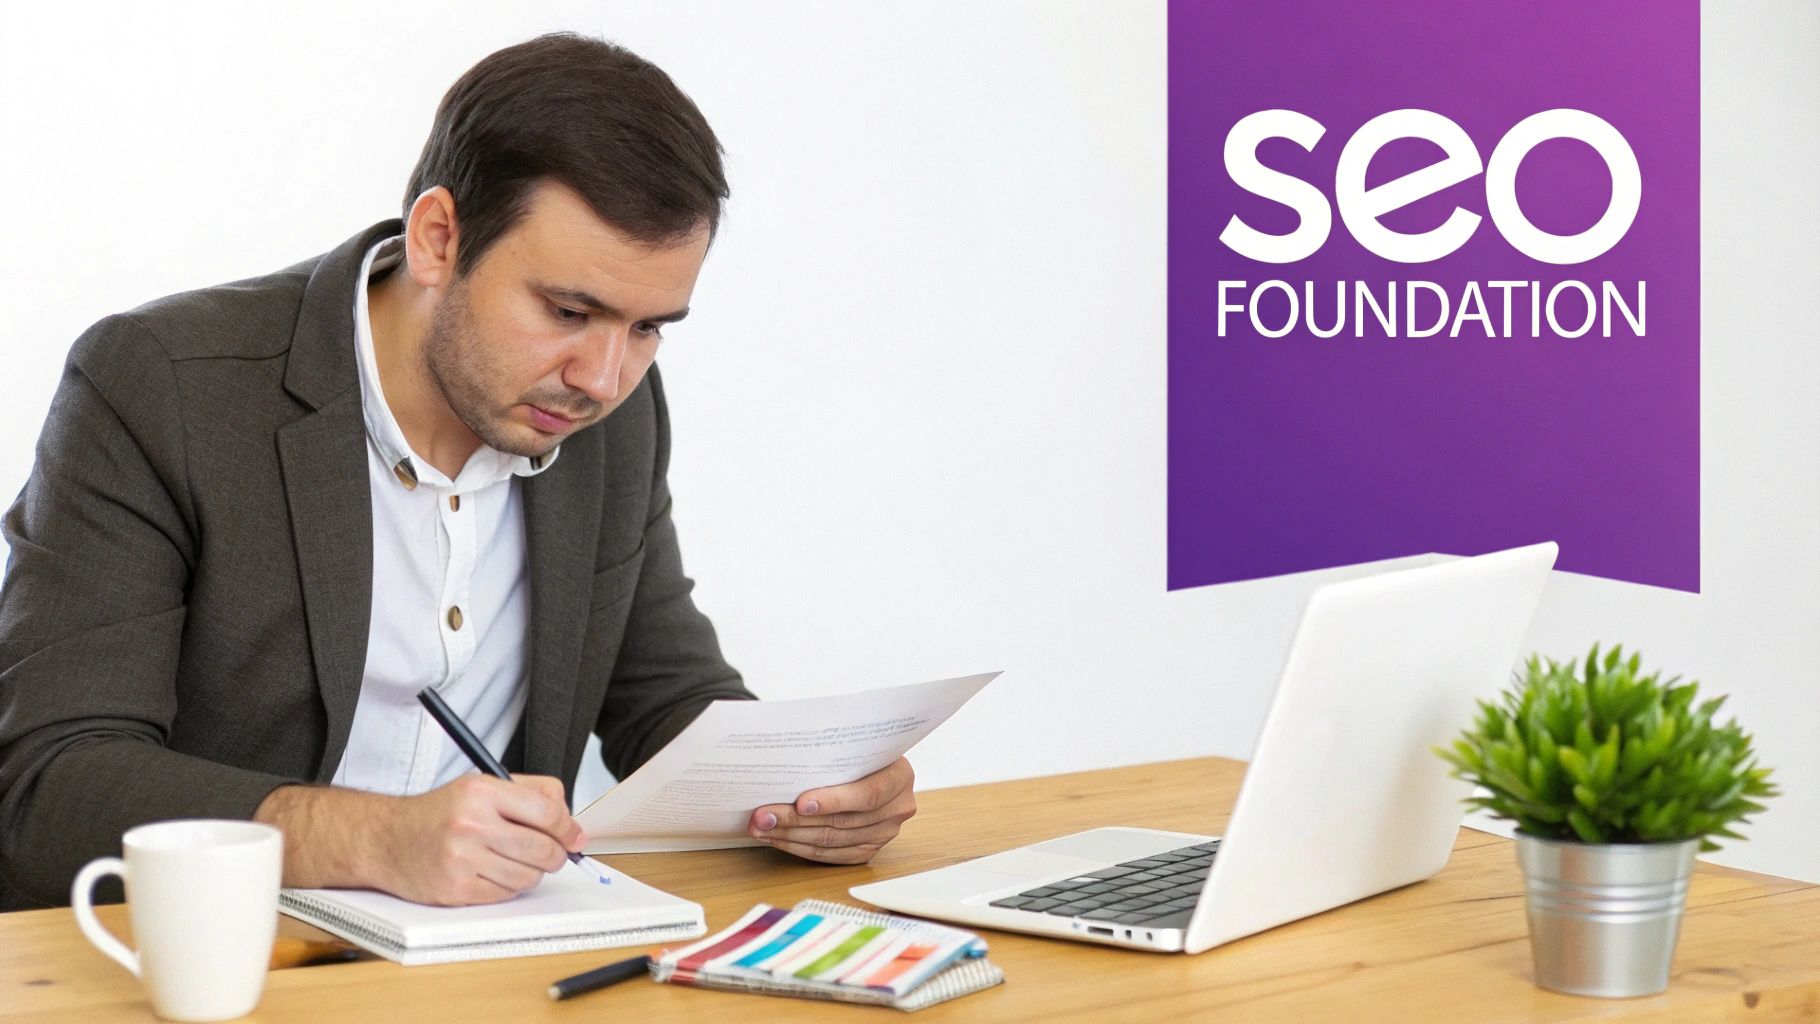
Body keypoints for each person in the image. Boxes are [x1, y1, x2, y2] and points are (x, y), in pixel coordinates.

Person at [0, 32, 915, 911]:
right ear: (439, 237)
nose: (604, 377)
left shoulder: (606, 412)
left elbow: (663, 695)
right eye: (567, 310)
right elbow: (51, 779)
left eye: (649, 328)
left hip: (483, 962)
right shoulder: (162, 387)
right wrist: (369, 839)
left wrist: (810, 792)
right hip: (210, 962)